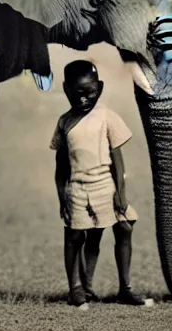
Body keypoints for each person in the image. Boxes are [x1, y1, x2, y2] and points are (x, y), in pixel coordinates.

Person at [50, 59, 145, 307]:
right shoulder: (64, 123)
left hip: (106, 186)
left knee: (124, 228)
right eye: (77, 94)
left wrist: (121, 192)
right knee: (75, 237)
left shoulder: (107, 117)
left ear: (99, 88)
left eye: (90, 93)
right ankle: (77, 289)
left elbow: (118, 159)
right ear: (66, 89)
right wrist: (62, 198)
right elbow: (61, 168)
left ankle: (126, 288)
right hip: (78, 189)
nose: (84, 100)